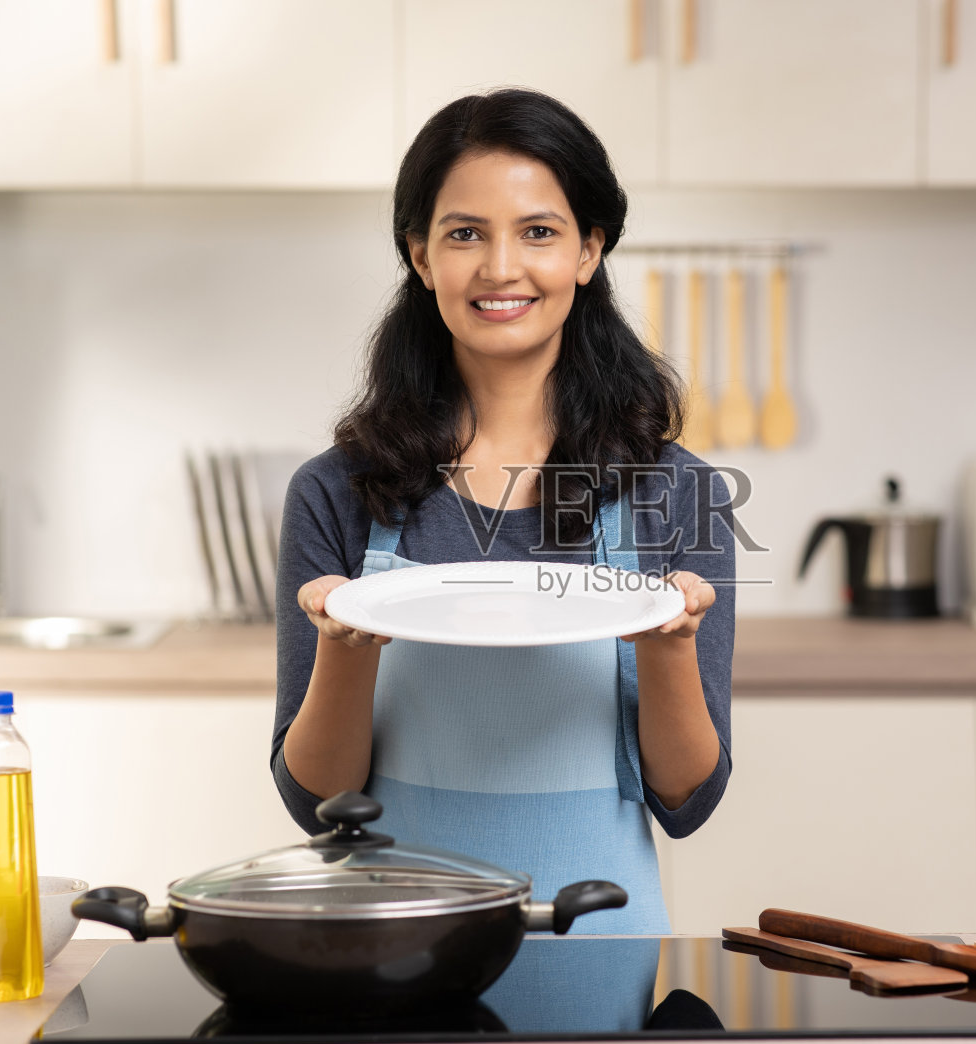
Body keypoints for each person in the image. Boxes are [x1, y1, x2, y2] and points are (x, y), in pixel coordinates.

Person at [270, 88, 734, 934]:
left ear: (590, 250)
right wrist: (344, 643)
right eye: (464, 233)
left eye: (540, 231)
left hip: (600, 944)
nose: (500, 267)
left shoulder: (679, 493)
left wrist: (669, 643)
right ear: (420, 255)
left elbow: (686, 797)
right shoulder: (336, 490)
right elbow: (317, 800)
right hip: (394, 951)